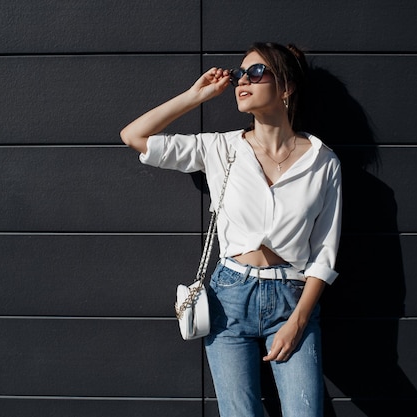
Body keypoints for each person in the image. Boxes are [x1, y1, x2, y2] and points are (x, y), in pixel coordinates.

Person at [120, 42, 342, 417]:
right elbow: (134, 135)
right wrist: (195, 96)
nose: (243, 81)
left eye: (257, 73)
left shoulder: (323, 162)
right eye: (241, 74)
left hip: (292, 297)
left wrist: (298, 321)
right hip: (229, 298)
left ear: (286, 87)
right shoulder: (221, 148)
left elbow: (324, 252)